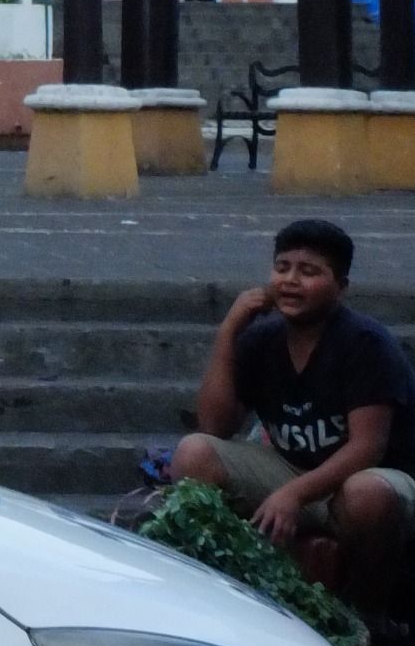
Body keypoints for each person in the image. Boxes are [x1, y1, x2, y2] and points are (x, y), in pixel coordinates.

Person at [172, 217, 415, 608]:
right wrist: (229, 330)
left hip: (369, 480)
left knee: (365, 494)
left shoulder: (366, 344)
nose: (290, 280)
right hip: (292, 469)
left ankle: (368, 614)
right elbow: (215, 425)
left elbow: (367, 447)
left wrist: (293, 495)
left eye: (309, 272)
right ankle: (218, 597)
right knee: (193, 452)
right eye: (282, 268)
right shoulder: (263, 338)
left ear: (341, 287)